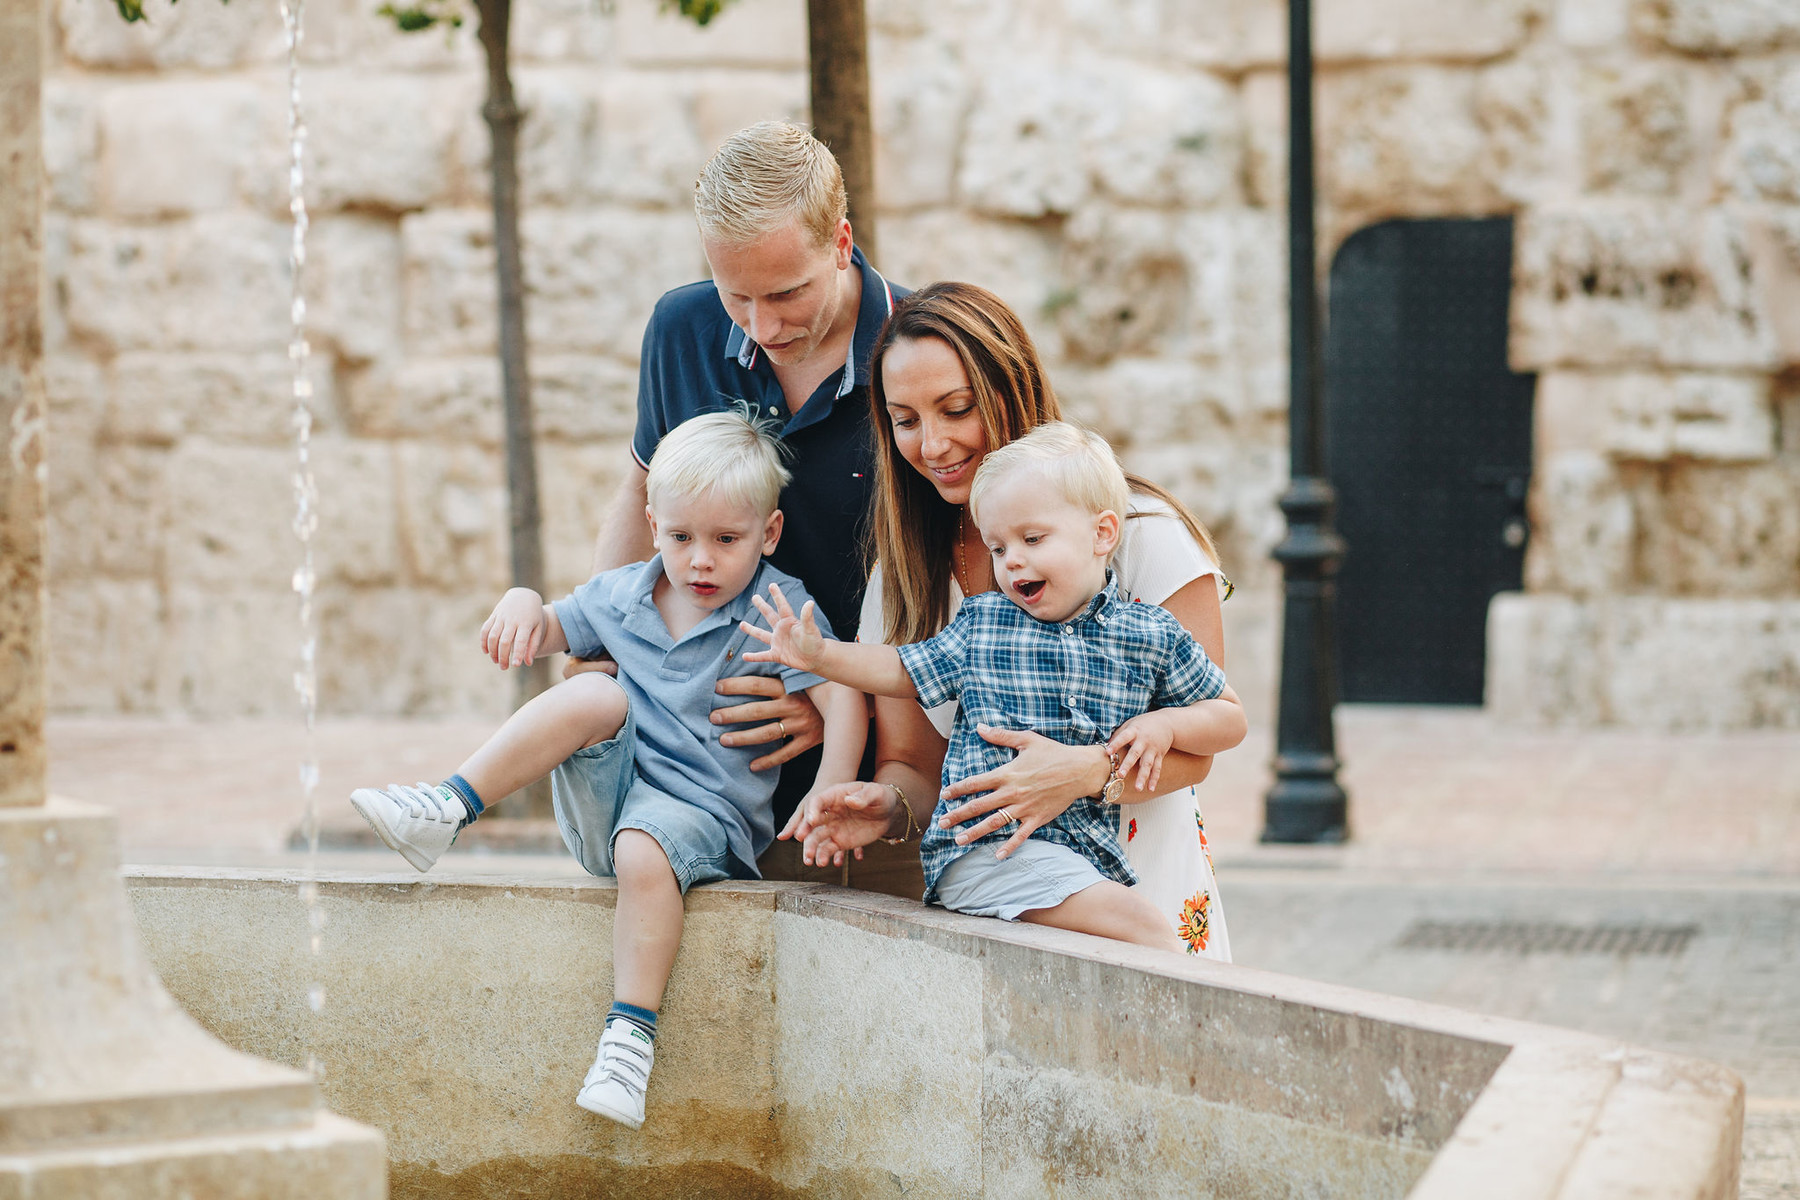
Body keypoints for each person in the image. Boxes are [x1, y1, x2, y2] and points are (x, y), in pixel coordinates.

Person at [345, 412, 865, 1130]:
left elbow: (845, 695)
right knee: (592, 691)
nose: (701, 561)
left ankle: (628, 1041)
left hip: (702, 822)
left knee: (643, 846)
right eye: (682, 537)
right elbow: (553, 624)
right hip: (607, 798)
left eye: (726, 539)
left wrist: (831, 794)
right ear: (653, 526)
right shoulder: (621, 594)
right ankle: (447, 806)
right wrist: (523, 602)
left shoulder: (779, 609)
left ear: (768, 535)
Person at [782, 281, 1240, 958]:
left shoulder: (1142, 536)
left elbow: (1202, 744)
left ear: (1010, 388)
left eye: (956, 408)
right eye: (905, 420)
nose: (932, 443)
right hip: (1009, 915)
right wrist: (886, 808)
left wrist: (1086, 772)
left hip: (1147, 896)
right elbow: (914, 764)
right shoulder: (905, 578)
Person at [566, 120, 913, 893]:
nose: (763, 326)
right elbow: (640, 489)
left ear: (841, 241)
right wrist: (600, 653)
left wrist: (830, 706)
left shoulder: (919, 349)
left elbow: (948, 576)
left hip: (857, 787)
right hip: (683, 779)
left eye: (789, 293)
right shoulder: (680, 328)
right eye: (738, 296)